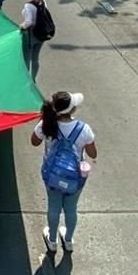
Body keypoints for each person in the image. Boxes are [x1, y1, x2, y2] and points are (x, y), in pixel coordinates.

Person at [31, 91, 97, 254]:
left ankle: (52, 240)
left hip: (52, 174)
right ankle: (68, 240)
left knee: (53, 206)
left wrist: (43, 122)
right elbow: (93, 154)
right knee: (71, 208)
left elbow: (34, 141)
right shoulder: (84, 129)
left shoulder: (46, 125)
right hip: (75, 177)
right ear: (72, 110)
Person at [20, 0, 47, 81]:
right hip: (41, 34)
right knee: (35, 58)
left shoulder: (29, 6)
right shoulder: (43, 2)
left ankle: (26, 79)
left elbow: (29, 21)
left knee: (26, 58)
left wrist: (21, 27)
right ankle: (33, 78)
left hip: (30, 35)